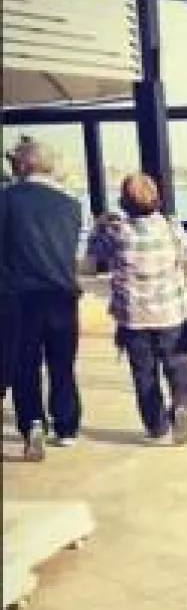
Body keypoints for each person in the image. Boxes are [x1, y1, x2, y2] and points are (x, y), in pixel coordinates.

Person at [89, 173, 187, 445]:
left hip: (134, 318)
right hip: (172, 313)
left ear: (124, 203)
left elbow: (94, 257)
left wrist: (99, 225)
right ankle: (181, 407)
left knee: (144, 374)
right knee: (180, 366)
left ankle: (157, 426)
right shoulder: (171, 228)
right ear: (157, 199)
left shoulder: (117, 232)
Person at [0, 137, 84, 460]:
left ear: (23, 165)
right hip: (62, 293)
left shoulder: (7, 199)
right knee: (62, 364)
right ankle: (67, 426)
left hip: (19, 296)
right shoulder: (71, 204)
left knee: (25, 364)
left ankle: (33, 423)